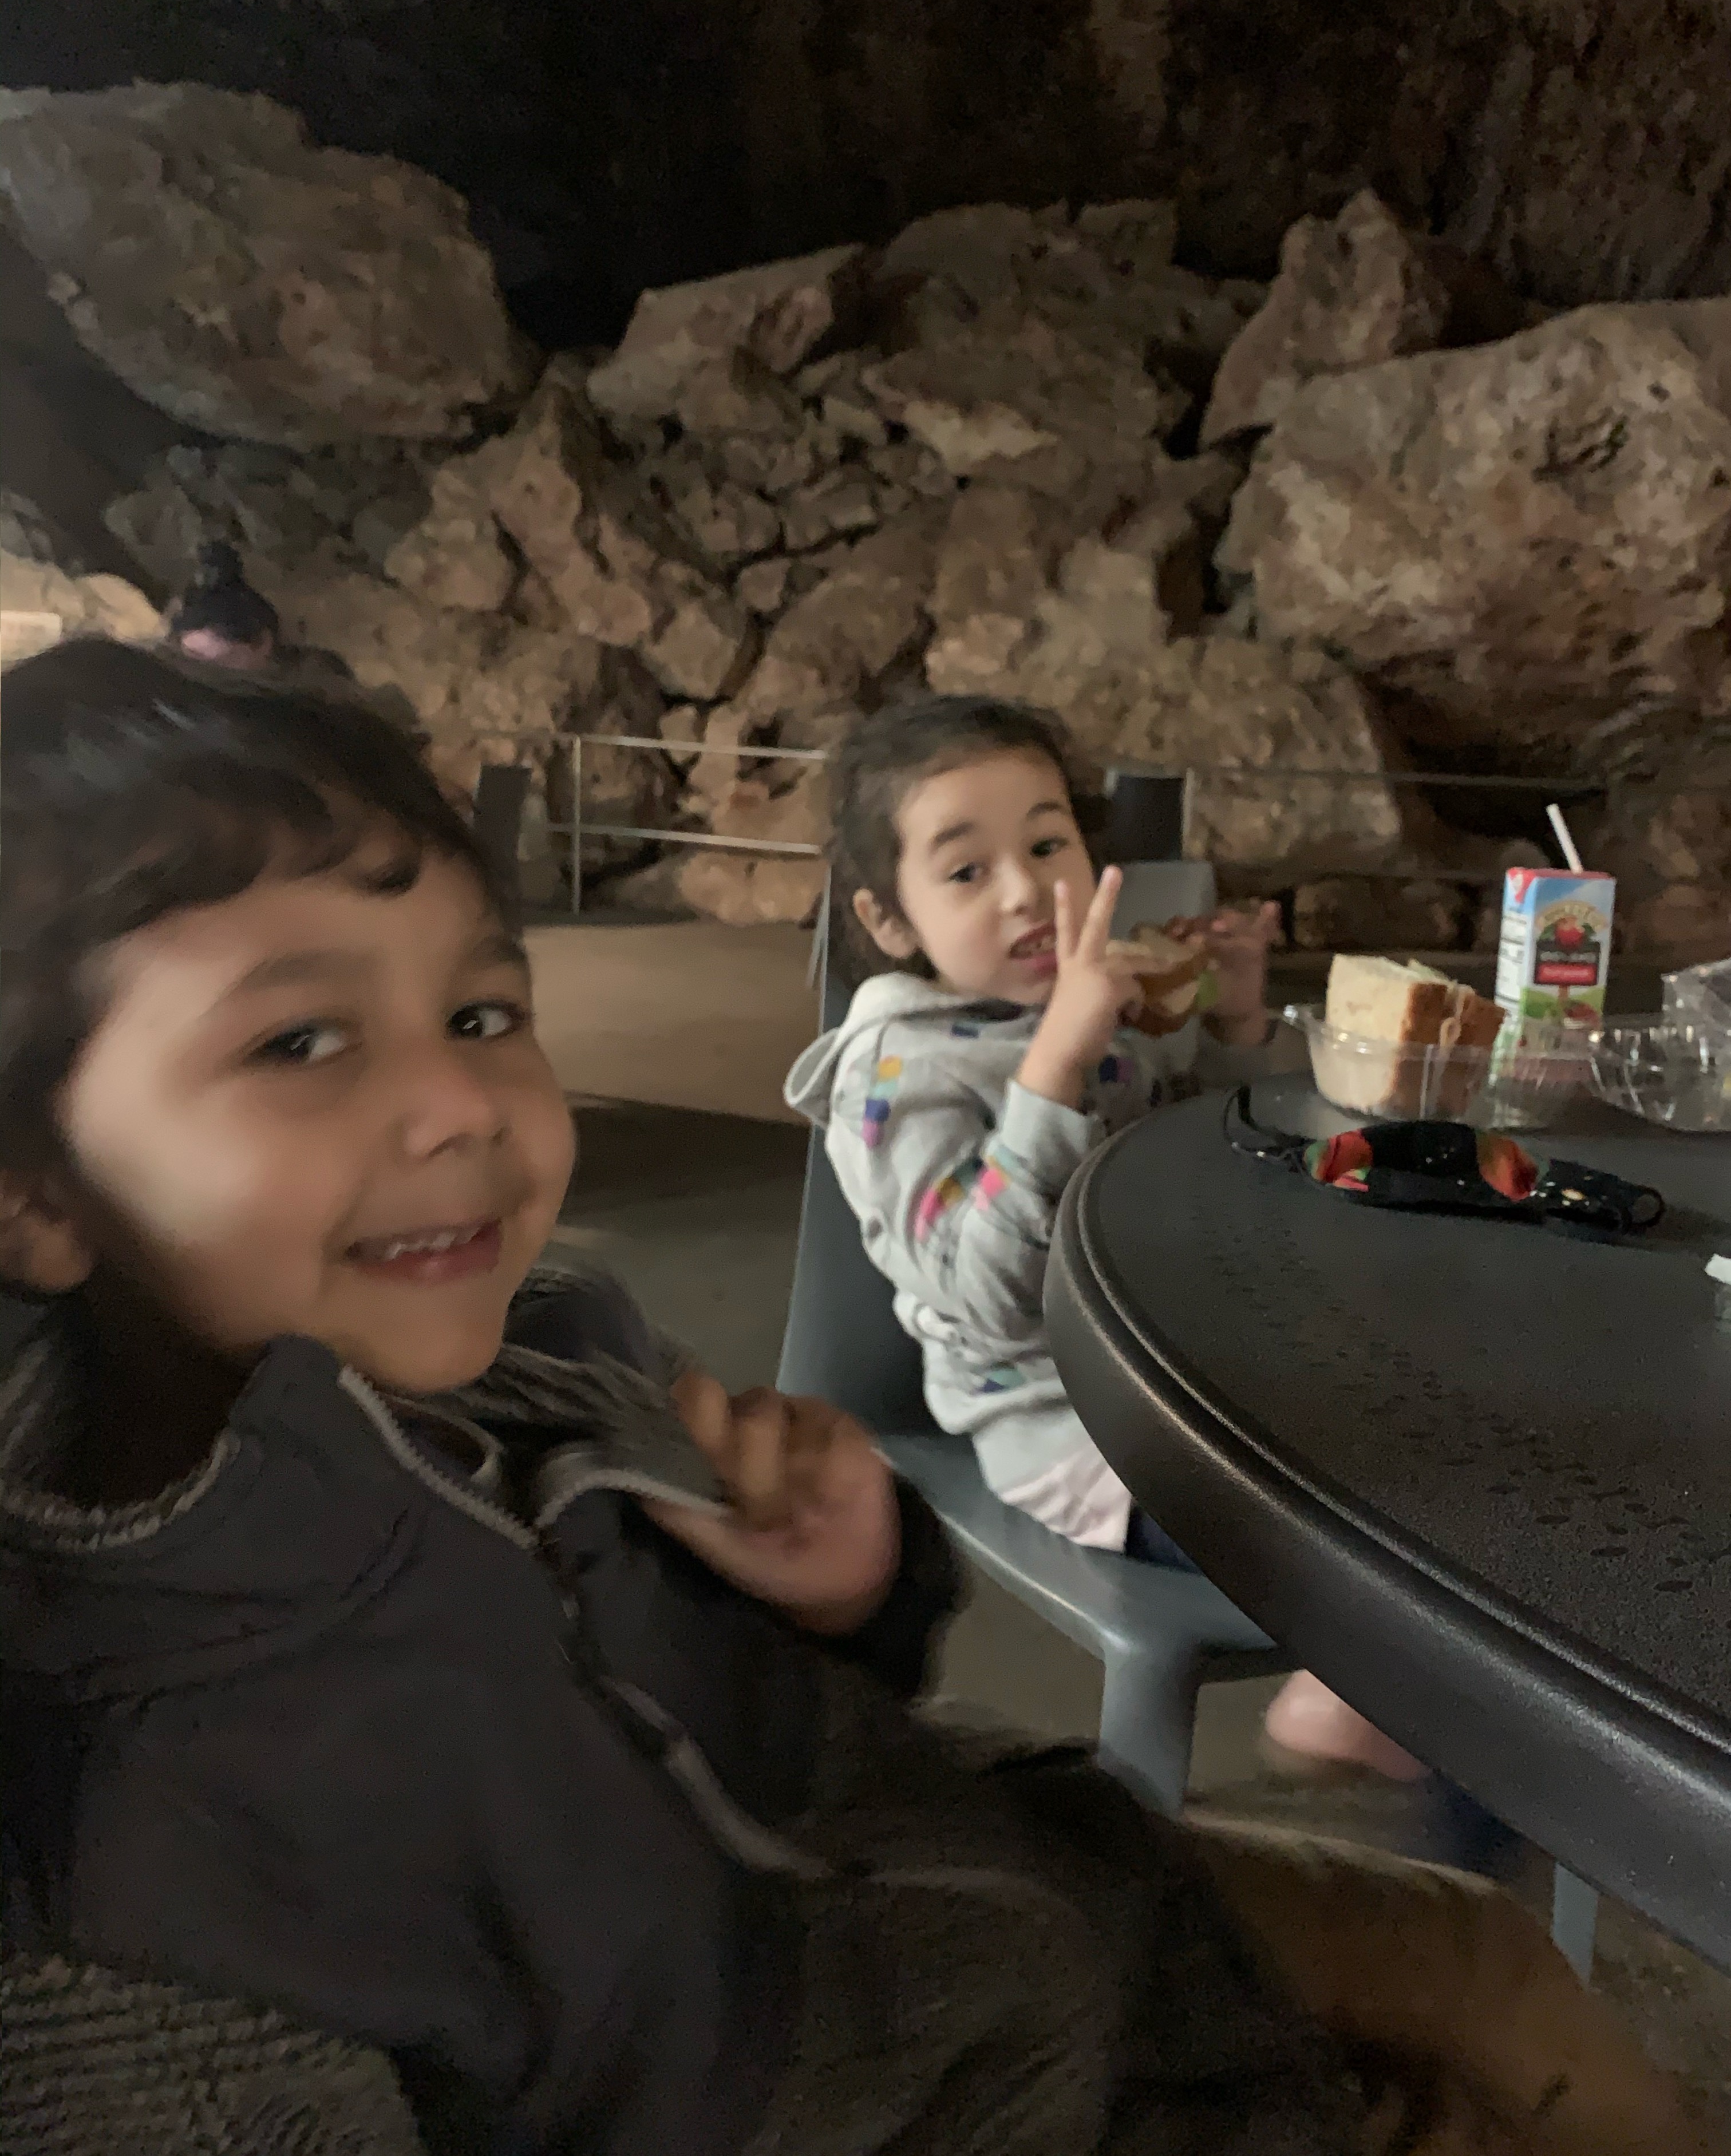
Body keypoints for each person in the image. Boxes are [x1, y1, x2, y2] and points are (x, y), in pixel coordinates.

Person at [0, 642, 1705, 2156]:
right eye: (299, 1041)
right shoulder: (131, 1872)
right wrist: (1061, 1062)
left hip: (1016, 1911)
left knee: (1485, 1956)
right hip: (950, 2076)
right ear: (34, 1187)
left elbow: (729, 1724)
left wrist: (847, 1598)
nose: (461, 1101)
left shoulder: (547, 1363)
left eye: (483, 1008)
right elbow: (977, 1287)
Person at [785, 695, 1424, 1783]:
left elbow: (1201, 1163)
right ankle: (1361, 1679)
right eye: (966, 870)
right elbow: (987, 1298)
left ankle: (1406, 1688)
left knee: (1435, 1432)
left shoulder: (1097, 1007)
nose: (1025, 890)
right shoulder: (896, 1078)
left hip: (1191, 1367)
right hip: (1074, 1432)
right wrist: (1052, 1071)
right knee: (1397, 1527)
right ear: (889, 920)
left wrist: (1231, 1023)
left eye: (1047, 845)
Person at [168, 539, 425, 739]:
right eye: (190, 659)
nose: (199, 672)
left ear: (262, 644)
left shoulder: (317, 687)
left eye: (215, 661)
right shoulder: (199, 701)